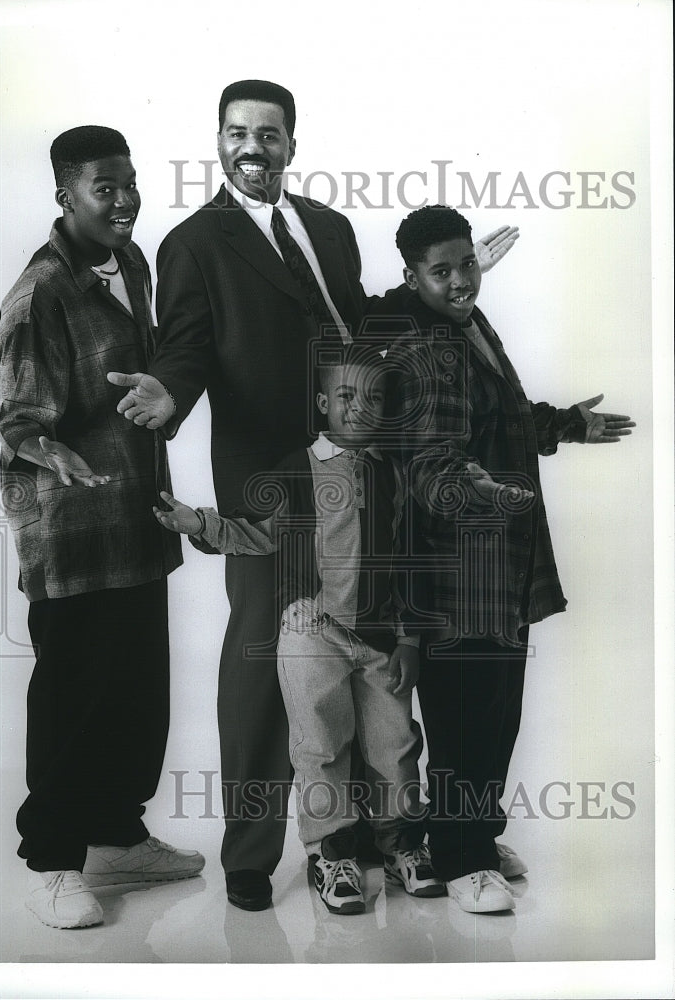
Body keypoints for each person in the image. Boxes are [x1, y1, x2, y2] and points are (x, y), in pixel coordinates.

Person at [106, 80, 518, 911]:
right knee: (269, 664)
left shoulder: (327, 228)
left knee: (370, 663)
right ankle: (251, 853)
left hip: (363, 463)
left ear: (292, 143)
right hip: (270, 479)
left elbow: (360, 324)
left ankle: (365, 836)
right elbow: (186, 344)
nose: (250, 147)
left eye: (267, 133)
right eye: (235, 133)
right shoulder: (196, 241)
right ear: (217, 143)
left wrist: (435, 287)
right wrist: (169, 393)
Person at [384, 204, 634, 913]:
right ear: (412, 277)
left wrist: (567, 425)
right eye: (442, 271)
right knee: (465, 716)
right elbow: (428, 461)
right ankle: (459, 859)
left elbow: (505, 412)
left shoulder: (467, 324)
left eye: (467, 263)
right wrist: (472, 486)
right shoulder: (423, 346)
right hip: (455, 568)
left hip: (504, 559)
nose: (461, 279)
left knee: (498, 712)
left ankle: (475, 835)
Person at [0, 125, 204, 930]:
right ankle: (52, 860)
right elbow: (18, 415)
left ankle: (116, 837)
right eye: (103, 188)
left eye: (128, 183)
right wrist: (47, 448)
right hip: (73, 533)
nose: (123, 201)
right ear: (65, 195)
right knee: (73, 698)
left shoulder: (132, 262)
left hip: (135, 522)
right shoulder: (38, 293)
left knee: (136, 694)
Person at [154, 347, 444, 915]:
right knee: (320, 744)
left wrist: (409, 638)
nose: (360, 409)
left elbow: (413, 561)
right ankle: (330, 853)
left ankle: (401, 845)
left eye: (375, 398)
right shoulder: (296, 468)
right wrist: (201, 524)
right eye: (345, 398)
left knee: (396, 743)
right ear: (322, 404)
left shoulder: (396, 472)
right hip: (312, 631)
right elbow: (261, 537)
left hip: (380, 635)